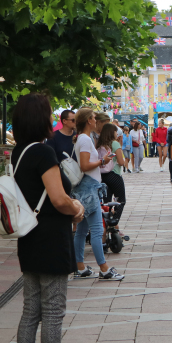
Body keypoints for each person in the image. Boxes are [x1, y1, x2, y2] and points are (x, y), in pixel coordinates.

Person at [11, 94, 84, 343]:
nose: (53, 118)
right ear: (40, 118)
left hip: (28, 236)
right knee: (53, 311)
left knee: (31, 310)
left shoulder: (20, 151)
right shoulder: (43, 152)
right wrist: (76, 208)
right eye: (50, 113)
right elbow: (59, 199)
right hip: (51, 238)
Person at [72, 108, 125, 281]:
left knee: (81, 230)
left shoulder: (82, 138)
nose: (96, 121)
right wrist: (103, 161)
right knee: (96, 229)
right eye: (94, 118)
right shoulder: (86, 140)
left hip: (84, 187)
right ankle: (104, 269)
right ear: (88, 120)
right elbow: (85, 166)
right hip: (88, 188)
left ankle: (79, 267)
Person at [96, 124, 126, 210]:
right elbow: (121, 162)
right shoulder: (115, 143)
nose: (117, 133)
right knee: (120, 200)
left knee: (106, 201)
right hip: (114, 174)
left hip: (102, 174)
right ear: (112, 132)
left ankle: (106, 220)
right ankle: (114, 221)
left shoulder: (99, 143)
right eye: (116, 131)